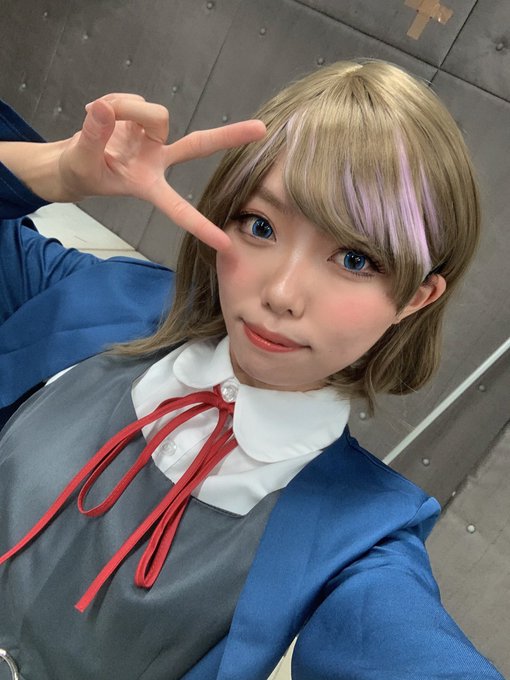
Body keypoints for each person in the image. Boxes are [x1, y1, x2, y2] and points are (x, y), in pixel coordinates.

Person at [0, 60, 504, 679]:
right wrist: (57, 170)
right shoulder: (105, 300)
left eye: (355, 259)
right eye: (260, 226)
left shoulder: (359, 539)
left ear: (415, 298)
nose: (283, 293)